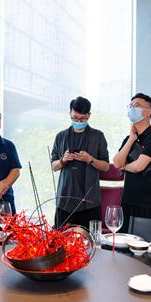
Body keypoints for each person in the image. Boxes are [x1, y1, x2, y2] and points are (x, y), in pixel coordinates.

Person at [51, 97, 110, 229]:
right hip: (65, 199)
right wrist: (63, 160)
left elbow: (106, 166)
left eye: (82, 119)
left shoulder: (98, 136)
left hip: (90, 201)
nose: (78, 121)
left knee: (91, 239)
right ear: (70, 114)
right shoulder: (61, 136)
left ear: (89, 115)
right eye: (75, 118)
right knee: (62, 239)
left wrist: (90, 159)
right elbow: (54, 166)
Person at [112, 93, 151, 232]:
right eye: (130, 106)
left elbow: (139, 166)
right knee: (124, 242)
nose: (132, 109)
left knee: (146, 243)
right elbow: (117, 163)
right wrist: (131, 139)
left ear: (148, 112)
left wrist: (125, 166)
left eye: (136, 106)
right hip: (127, 200)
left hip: (147, 203)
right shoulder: (129, 138)